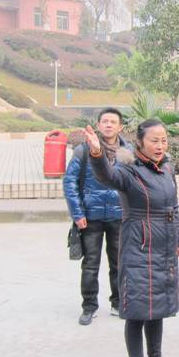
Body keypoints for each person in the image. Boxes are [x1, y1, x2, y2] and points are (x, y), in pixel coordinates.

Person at [85, 119, 179, 357]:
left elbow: (173, 207)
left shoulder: (167, 168)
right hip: (138, 247)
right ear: (140, 142)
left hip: (164, 247)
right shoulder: (129, 170)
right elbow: (107, 176)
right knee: (137, 311)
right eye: (154, 140)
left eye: (164, 140)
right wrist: (96, 153)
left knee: (158, 308)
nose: (160, 145)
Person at [63, 107, 128, 326]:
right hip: (90, 217)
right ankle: (89, 306)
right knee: (90, 264)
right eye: (105, 121)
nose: (108, 125)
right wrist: (77, 212)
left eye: (113, 122)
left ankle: (118, 303)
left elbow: (134, 183)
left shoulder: (128, 152)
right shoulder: (83, 150)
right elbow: (69, 182)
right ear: (98, 125)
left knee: (119, 263)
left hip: (119, 216)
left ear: (120, 127)